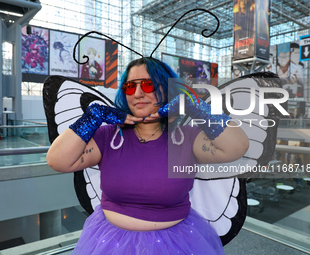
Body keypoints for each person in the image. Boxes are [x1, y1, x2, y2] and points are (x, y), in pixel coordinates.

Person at [46, 57, 249, 254]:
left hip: (176, 244)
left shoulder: (186, 136)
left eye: (149, 85)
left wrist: (194, 106)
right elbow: (57, 160)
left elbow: (237, 146)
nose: (138, 93)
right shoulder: (109, 135)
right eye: (130, 87)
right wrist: (93, 116)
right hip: (108, 244)